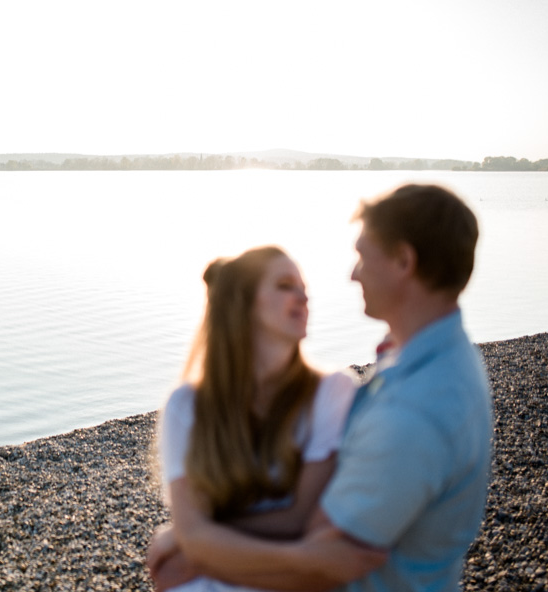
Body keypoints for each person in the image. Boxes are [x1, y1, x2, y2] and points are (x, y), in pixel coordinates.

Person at [148, 184, 492, 592]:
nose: (352, 273)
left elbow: (323, 561)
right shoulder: (427, 362)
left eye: (363, 254)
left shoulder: (411, 409)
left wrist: (197, 551)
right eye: (283, 286)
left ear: (404, 261)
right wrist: (195, 538)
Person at [153, 244, 361, 592]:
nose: (302, 298)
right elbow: (193, 535)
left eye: (304, 288)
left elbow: (302, 517)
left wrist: (196, 541)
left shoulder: (331, 392)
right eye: (284, 285)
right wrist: (193, 539)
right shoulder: (185, 406)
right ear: (244, 303)